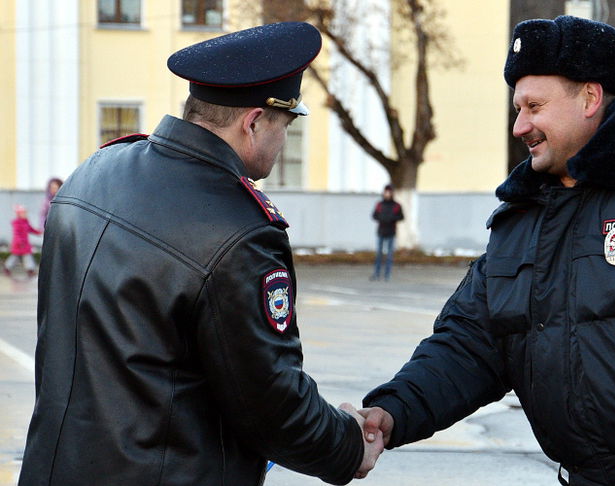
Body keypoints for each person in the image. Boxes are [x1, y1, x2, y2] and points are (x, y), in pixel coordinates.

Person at [357, 16, 615, 486]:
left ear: (590, 97)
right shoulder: (524, 215)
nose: (520, 125)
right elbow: (471, 344)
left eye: (534, 106)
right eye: (517, 107)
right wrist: (391, 411)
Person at [19, 22, 382, 486]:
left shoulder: (93, 172)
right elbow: (269, 400)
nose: (282, 141)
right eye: (284, 124)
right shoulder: (239, 228)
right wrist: (348, 442)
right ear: (253, 123)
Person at [370, 184, 404, 281]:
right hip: (381, 231)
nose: (387, 194)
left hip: (391, 232)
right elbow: (374, 215)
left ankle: (387, 275)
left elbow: (401, 217)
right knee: (379, 255)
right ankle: (376, 273)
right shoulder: (380, 205)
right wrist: (382, 218)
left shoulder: (396, 205)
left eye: (389, 192)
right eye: (386, 192)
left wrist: (392, 219)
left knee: (389, 255)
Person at [3, 205, 41, 278]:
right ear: (19, 214)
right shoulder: (17, 223)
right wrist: (20, 243)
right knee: (18, 257)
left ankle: (8, 268)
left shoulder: (25, 222)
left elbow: (31, 229)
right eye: (24, 213)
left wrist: (39, 232)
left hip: (24, 244)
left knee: (18, 257)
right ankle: (30, 270)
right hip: (19, 244)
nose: (25, 214)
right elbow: (17, 234)